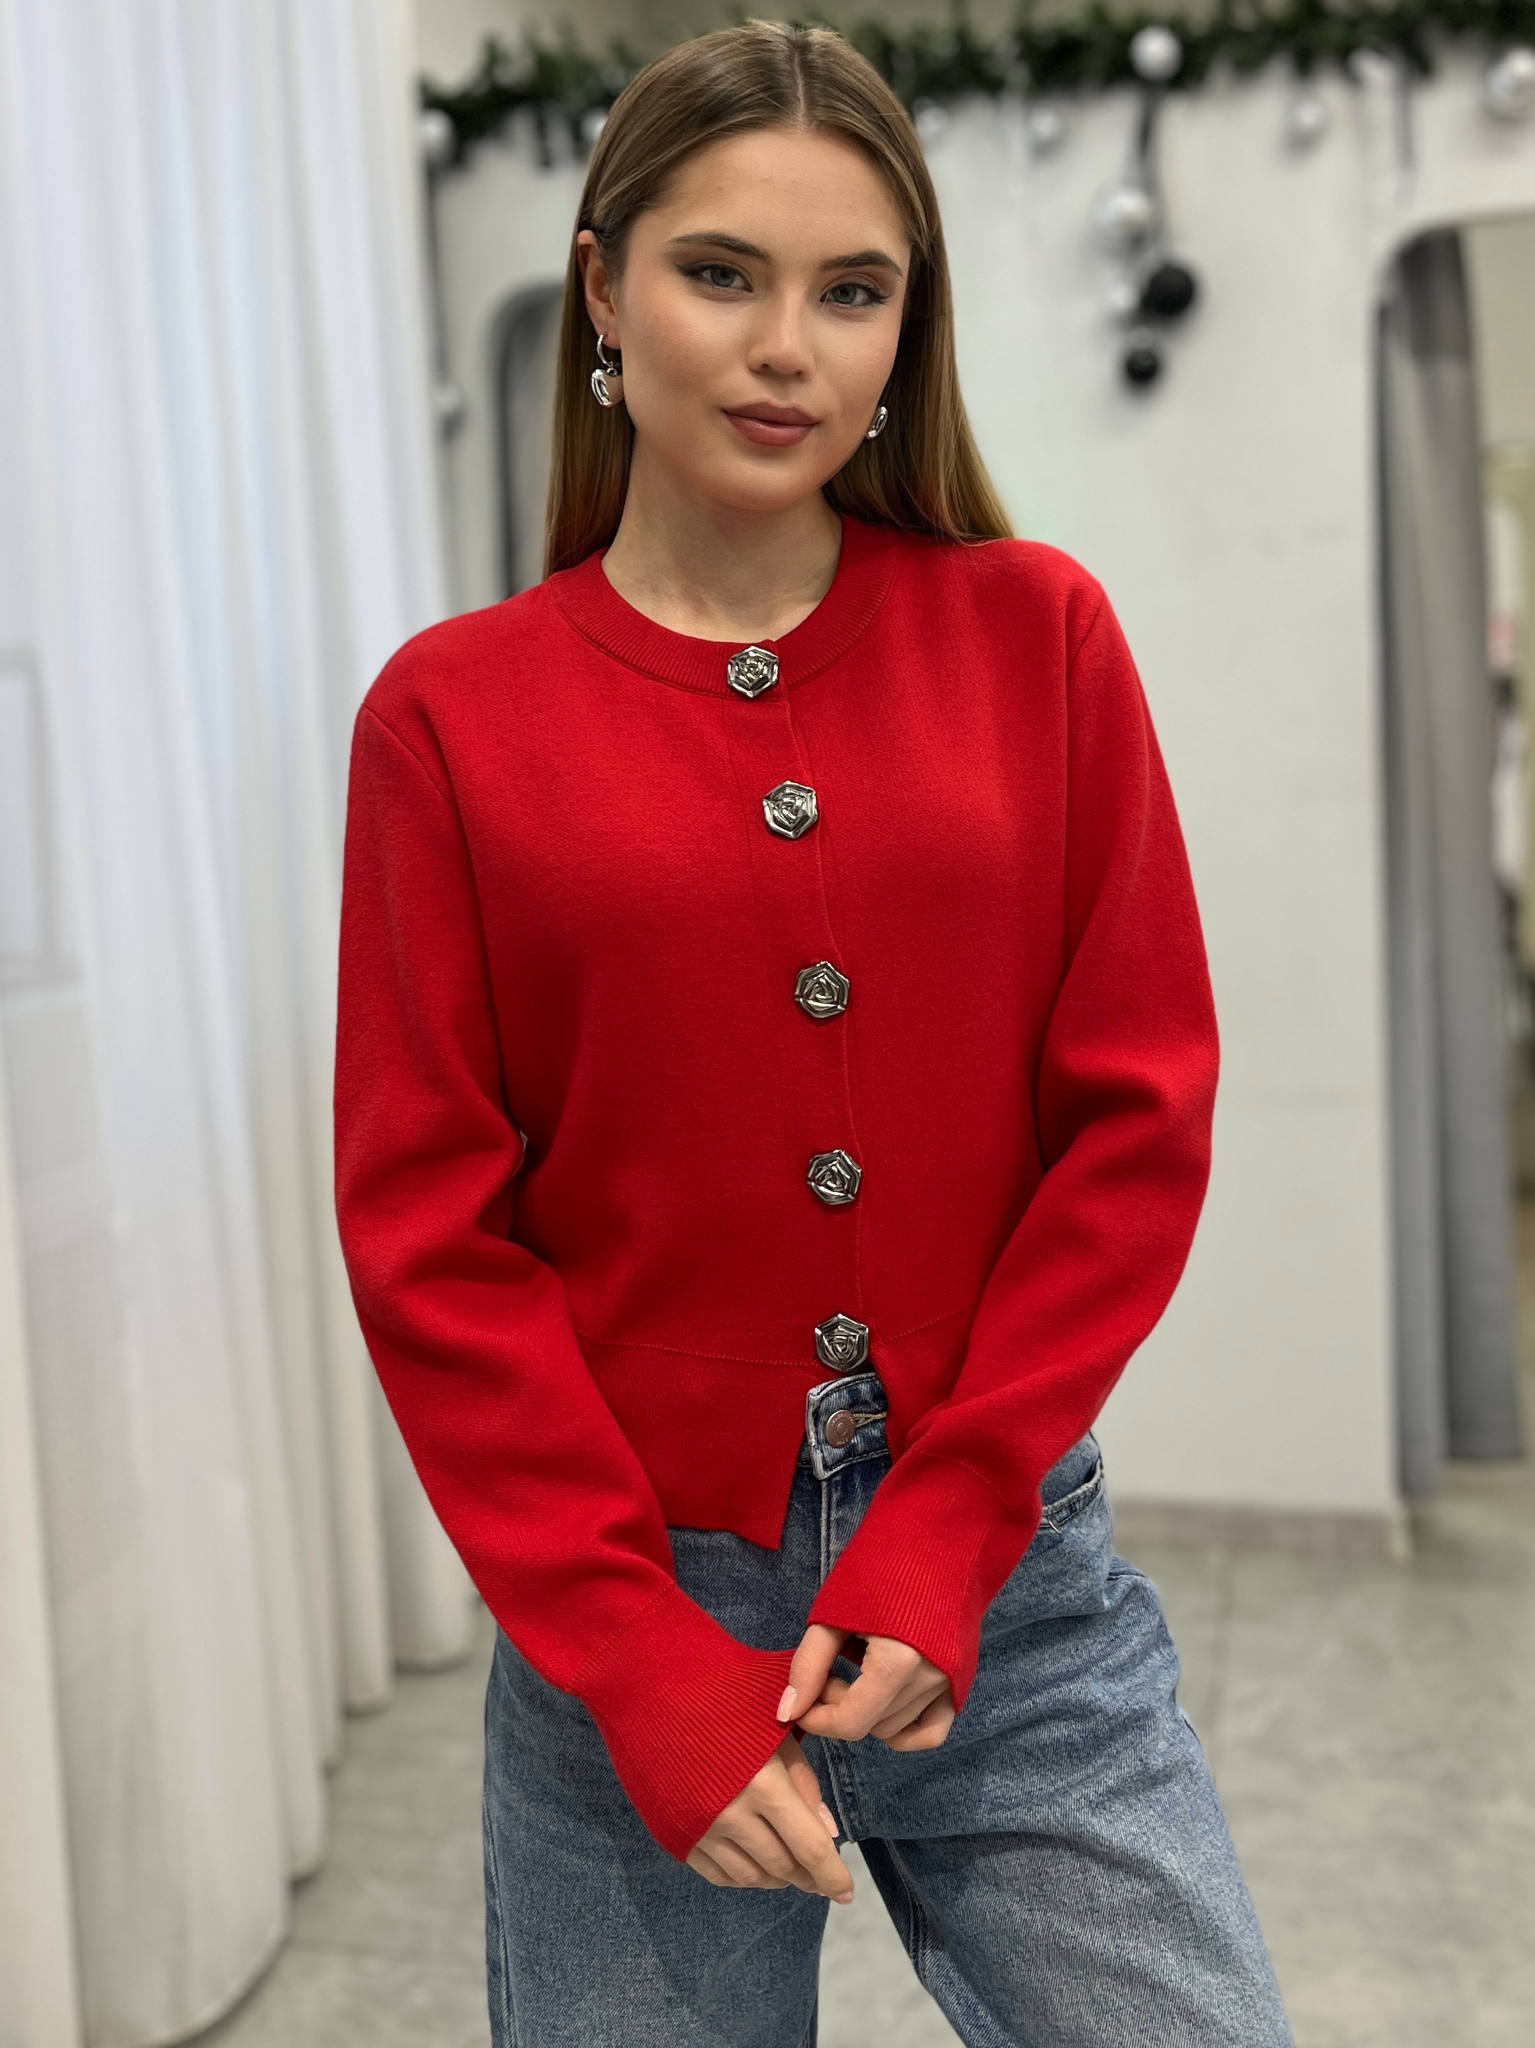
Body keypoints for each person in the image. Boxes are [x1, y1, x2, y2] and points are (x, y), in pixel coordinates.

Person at [333, 21, 1294, 2045]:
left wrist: (953, 1519)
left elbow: (1137, 1121)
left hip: (1007, 1587)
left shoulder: (1037, 638)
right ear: (603, 289)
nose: (789, 348)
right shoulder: (452, 719)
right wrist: (636, 1663)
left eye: (854, 291)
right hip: (635, 1618)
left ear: (905, 328)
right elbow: (432, 1231)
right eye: (722, 274)